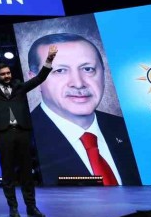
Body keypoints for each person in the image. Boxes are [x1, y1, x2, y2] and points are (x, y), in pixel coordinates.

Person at [27, 33, 141, 185]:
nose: (78, 83)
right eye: (60, 71)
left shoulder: (130, 129)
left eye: (88, 69)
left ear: (103, 73)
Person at [0, 46, 57, 217]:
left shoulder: (19, 86)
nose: (7, 76)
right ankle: (13, 207)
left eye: (8, 73)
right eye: (3, 74)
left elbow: (39, 78)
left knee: (26, 171)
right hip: (3, 134)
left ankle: (31, 206)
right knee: (8, 171)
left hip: (22, 132)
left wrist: (49, 60)